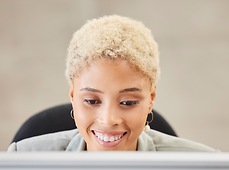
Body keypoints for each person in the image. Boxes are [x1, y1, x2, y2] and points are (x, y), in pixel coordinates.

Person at [8, 15, 216, 151]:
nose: (108, 120)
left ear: (151, 99)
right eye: (91, 100)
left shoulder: (204, 165)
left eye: (127, 102)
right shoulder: (22, 157)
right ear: (73, 97)